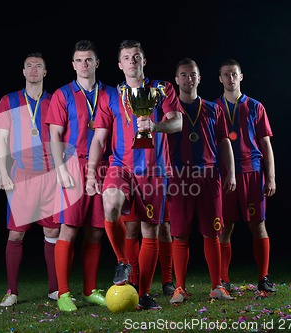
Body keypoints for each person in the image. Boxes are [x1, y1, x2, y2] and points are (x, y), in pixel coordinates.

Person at [86, 40, 183, 310]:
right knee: (110, 206)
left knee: (149, 229)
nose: (132, 61)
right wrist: (91, 173)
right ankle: (123, 261)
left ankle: (143, 294)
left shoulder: (162, 89)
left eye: (136, 56)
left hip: (154, 169)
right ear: (120, 64)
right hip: (121, 166)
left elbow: (178, 122)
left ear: (144, 60)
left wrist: (156, 124)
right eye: (126, 57)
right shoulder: (110, 96)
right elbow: (99, 139)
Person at [46, 40, 117, 312]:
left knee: (96, 232)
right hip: (72, 165)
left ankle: (89, 290)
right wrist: (60, 169)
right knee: (69, 228)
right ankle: (63, 293)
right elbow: (54, 134)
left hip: (102, 166)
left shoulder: (110, 93)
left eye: (88, 60)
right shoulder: (63, 94)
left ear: (97, 63)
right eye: (79, 60)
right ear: (72, 64)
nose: (84, 64)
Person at [168, 57, 236, 303]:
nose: (189, 79)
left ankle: (217, 286)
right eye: (184, 75)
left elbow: (224, 142)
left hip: (209, 176)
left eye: (193, 74)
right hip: (179, 177)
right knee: (180, 235)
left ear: (199, 77)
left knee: (212, 233)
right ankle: (180, 288)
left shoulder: (212, 108)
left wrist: (231, 173)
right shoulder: (169, 111)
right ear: (177, 80)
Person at [0, 52, 60, 307]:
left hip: (50, 175)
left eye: (38, 66)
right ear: (23, 72)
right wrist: (1, 171)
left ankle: (55, 289)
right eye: (29, 66)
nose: (33, 70)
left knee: (52, 231)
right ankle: (12, 291)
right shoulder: (8, 100)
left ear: (45, 72)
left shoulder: (55, 100)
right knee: (15, 235)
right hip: (21, 175)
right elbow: (0, 139)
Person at [215, 59, 277, 293]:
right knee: (224, 226)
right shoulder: (213, 107)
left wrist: (270, 177)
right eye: (225, 74)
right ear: (219, 79)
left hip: (252, 171)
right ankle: (223, 278)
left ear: (241, 76)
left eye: (234, 74)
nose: (230, 78)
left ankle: (264, 277)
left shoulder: (255, 106)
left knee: (257, 224)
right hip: (224, 175)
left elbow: (266, 144)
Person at [122, 199, 175, 297]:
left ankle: (167, 281)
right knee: (132, 227)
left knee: (164, 227)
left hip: (156, 186)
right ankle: (135, 281)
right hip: (134, 186)